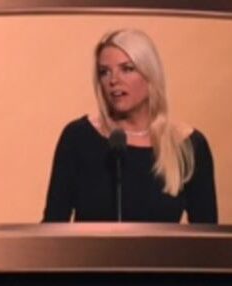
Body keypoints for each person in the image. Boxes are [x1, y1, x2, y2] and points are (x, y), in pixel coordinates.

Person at [43, 29, 218, 223]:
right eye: (104, 72)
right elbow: (52, 229)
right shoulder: (78, 138)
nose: (113, 80)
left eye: (127, 69)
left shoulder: (188, 146)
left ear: (150, 74)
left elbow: (208, 241)